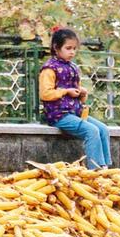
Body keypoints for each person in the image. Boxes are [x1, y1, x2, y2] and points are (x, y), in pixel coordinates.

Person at [39, 26, 111, 169]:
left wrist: (82, 93)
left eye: (74, 48)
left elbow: (77, 96)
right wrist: (66, 92)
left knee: (103, 129)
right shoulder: (49, 68)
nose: (72, 52)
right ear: (56, 47)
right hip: (59, 115)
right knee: (92, 131)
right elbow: (45, 94)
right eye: (68, 48)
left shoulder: (72, 67)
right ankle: (95, 169)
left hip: (75, 113)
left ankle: (106, 167)